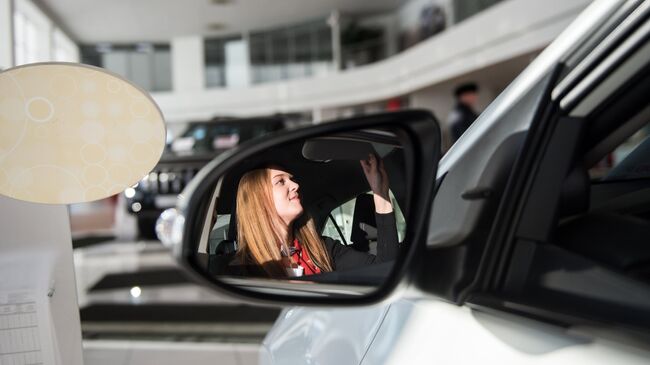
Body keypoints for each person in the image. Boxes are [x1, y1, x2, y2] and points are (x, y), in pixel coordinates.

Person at [228, 154, 399, 278]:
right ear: (259, 201)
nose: (295, 185)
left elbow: (385, 269)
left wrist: (380, 192)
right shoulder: (244, 269)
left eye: (291, 179)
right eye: (281, 181)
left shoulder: (321, 248)